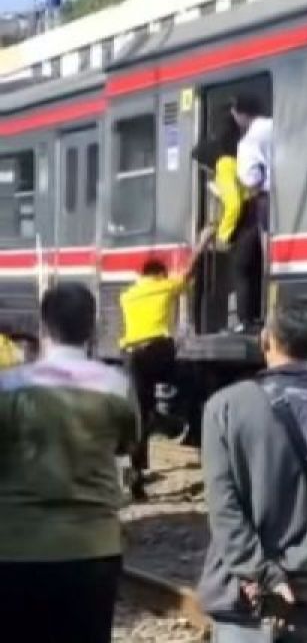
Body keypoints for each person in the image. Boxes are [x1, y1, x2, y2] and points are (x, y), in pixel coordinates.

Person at [199, 296, 307, 642]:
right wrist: (290, 568)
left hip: (240, 597)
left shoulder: (224, 408)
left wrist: (263, 574)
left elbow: (223, 507)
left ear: (265, 339)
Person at [0, 283, 138, 643]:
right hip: (92, 549)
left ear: (43, 327)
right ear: (92, 328)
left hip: (15, 547)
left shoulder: (8, 386)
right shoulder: (117, 385)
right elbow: (127, 444)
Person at [120, 229, 214, 500]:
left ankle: (136, 477)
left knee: (140, 413)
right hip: (158, 352)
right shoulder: (164, 285)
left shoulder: (127, 295)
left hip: (131, 356)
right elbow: (189, 270)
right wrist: (204, 241)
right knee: (195, 382)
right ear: (160, 274)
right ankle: (182, 420)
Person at [193, 126, 258, 331]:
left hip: (245, 221)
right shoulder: (233, 161)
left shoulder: (223, 166)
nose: (204, 170)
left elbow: (234, 204)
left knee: (239, 271)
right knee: (250, 270)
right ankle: (250, 319)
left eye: (202, 166)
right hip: (253, 217)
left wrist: (223, 234)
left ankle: (243, 322)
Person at [231, 97, 272, 333]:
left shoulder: (248, 141)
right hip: (290, 194)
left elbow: (252, 179)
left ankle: (255, 320)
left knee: (258, 262)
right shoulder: (278, 126)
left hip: (266, 200)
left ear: (241, 114)